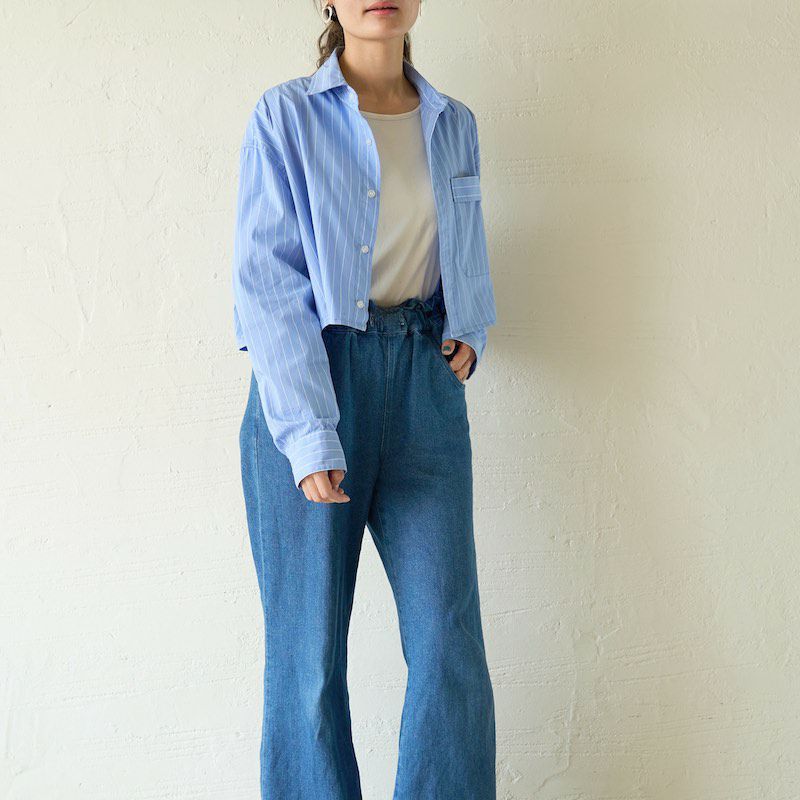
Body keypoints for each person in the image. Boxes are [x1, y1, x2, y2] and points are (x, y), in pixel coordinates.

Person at [232, 1, 498, 797]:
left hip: (423, 385)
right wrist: (309, 432)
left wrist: (470, 325)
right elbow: (267, 283)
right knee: (308, 661)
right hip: (317, 382)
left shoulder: (454, 124)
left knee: (449, 645)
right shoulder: (285, 116)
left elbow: (457, 241)